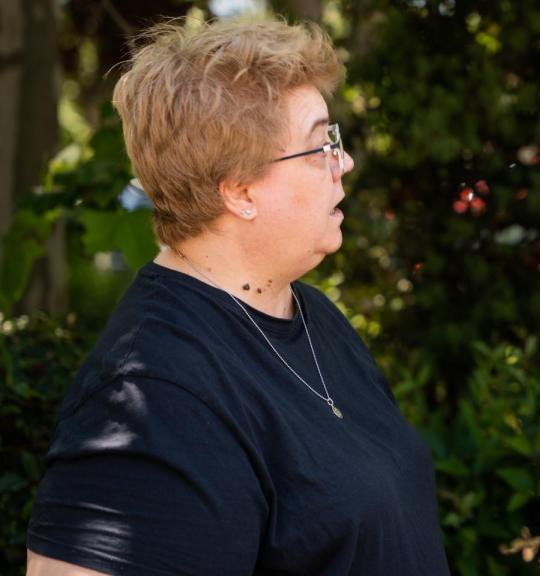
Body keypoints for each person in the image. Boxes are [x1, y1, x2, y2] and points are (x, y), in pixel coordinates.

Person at [26, 18, 449, 575]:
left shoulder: (309, 314)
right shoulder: (153, 398)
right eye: (320, 144)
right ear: (240, 191)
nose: (342, 162)